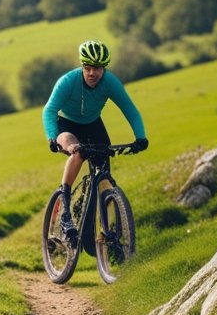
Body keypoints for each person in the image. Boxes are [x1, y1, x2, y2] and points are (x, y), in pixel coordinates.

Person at [42, 40, 149, 239]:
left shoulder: (110, 82)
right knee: (77, 150)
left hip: (93, 125)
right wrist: (51, 137)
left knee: (104, 176)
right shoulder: (68, 81)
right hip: (67, 124)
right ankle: (65, 209)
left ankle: (107, 233)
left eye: (97, 69)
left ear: (104, 68)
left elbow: (131, 111)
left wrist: (140, 137)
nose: (92, 73)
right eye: (88, 68)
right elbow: (49, 111)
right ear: (82, 66)